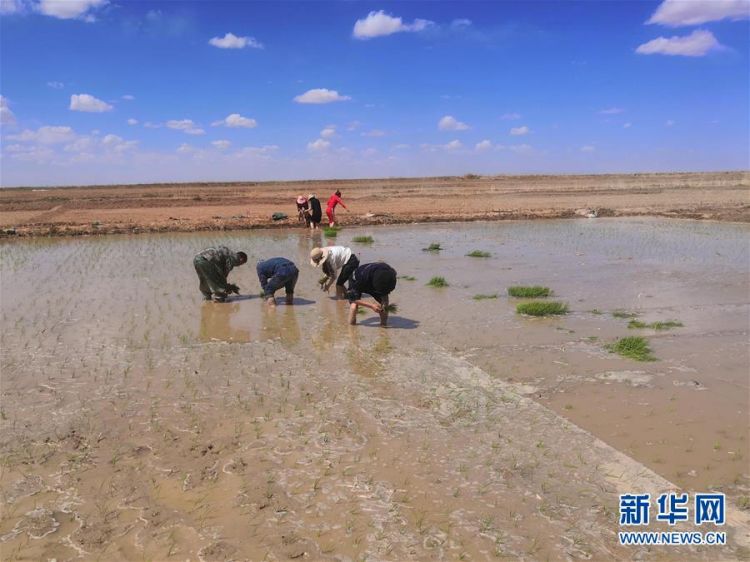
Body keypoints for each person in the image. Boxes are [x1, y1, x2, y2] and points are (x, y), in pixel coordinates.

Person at [345, 262, 397, 327]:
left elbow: (385, 293)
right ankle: (351, 327)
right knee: (354, 306)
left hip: (376, 280)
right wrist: (371, 305)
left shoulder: (389, 274)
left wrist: (384, 301)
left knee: (385, 303)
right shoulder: (361, 277)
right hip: (358, 280)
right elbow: (352, 298)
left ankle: (383, 326)